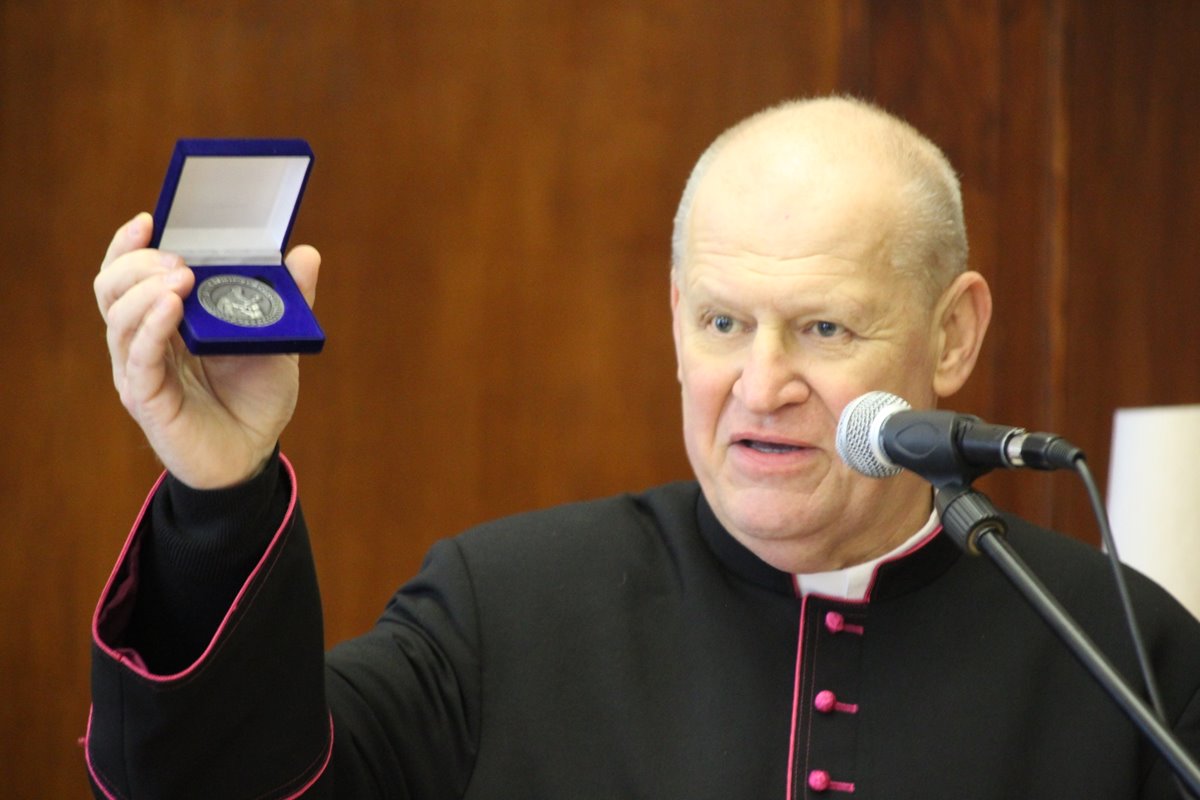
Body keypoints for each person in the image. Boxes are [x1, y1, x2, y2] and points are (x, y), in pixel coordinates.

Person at [87, 97, 1200, 799]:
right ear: (674, 320)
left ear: (952, 334)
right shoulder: (501, 608)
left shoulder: (1127, 656)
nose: (761, 384)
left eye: (824, 327)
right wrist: (218, 487)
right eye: (722, 322)